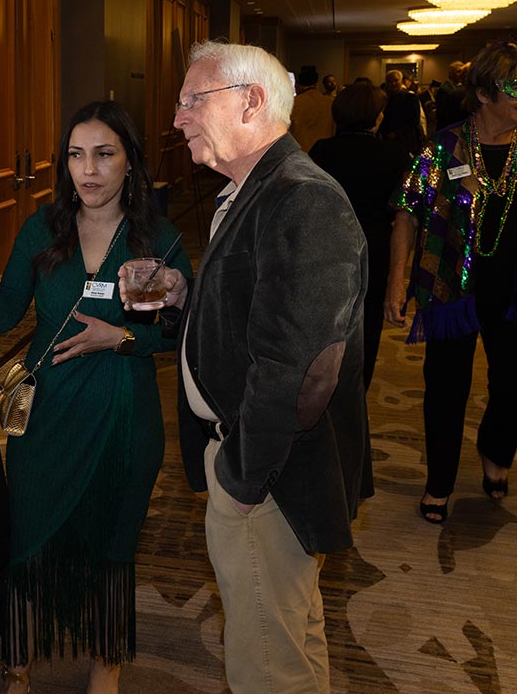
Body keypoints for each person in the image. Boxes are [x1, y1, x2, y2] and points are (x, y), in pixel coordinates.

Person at [0, 100, 190, 693]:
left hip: (124, 418)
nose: (88, 170)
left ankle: (105, 673)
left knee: (113, 551)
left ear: (131, 162)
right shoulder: (43, 229)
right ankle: (18, 671)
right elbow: (5, 314)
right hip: (47, 419)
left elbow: (176, 335)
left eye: (104, 154)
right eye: (76, 156)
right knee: (30, 548)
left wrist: (121, 337)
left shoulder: (157, 240)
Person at [162, 41, 369, 694]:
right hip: (262, 464)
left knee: (266, 667)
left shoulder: (302, 198)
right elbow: (262, 315)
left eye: (192, 100)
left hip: (271, 475)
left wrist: (243, 478)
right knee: (289, 637)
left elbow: (304, 369)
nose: (177, 118)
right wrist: (189, 299)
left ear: (250, 101)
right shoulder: (252, 190)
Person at [386, 41, 517, 524]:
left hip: (512, 292)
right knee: (446, 387)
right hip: (449, 288)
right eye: (515, 88)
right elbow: (407, 214)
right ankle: (439, 481)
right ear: (483, 93)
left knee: (513, 384)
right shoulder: (443, 147)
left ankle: (495, 449)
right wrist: (396, 283)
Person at [309, 82, 411, 391]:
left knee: (326, 326)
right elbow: (403, 214)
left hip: (328, 244)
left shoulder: (321, 151)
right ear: (377, 117)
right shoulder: (394, 154)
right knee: (367, 329)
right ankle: (356, 396)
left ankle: (325, 394)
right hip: (374, 246)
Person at [380, 69, 424, 156]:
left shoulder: (410, 97)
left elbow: (414, 121)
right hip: (387, 140)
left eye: (396, 81)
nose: (393, 84)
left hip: (405, 141)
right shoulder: (384, 97)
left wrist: (397, 133)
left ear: (401, 81)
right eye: (390, 81)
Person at [289, 67, 335, 151]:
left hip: (301, 152)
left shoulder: (294, 103)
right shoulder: (331, 103)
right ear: (317, 83)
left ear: (298, 85)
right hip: (325, 151)